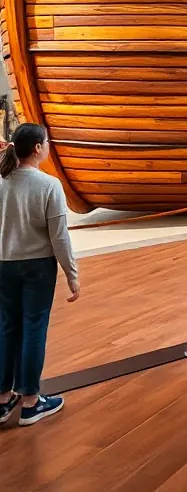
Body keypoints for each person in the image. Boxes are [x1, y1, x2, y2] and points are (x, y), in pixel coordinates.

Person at [0, 124, 79, 427]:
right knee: (34, 327)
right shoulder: (49, 185)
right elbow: (59, 237)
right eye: (47, 142)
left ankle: (3, 399)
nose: (48, 146)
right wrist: (72, 274)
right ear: (37, 148)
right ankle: (31, 402)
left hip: (3, 264)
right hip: (37, 267)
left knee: (7, 327)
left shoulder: (2, 181)